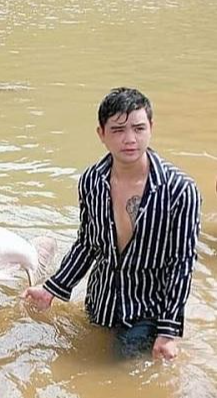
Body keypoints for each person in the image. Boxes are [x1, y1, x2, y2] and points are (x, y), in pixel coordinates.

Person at [22, 88, 201, 360]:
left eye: (139, 128)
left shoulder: (180, 190)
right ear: (101, 134)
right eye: (118, 130)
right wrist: (52, 289)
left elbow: (182, 263)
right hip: (101, 303)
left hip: (146, 311)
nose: (130, 139)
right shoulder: (92, 181)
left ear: (151, 128)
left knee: (122, 372)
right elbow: (87, 244)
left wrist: (168, 332)